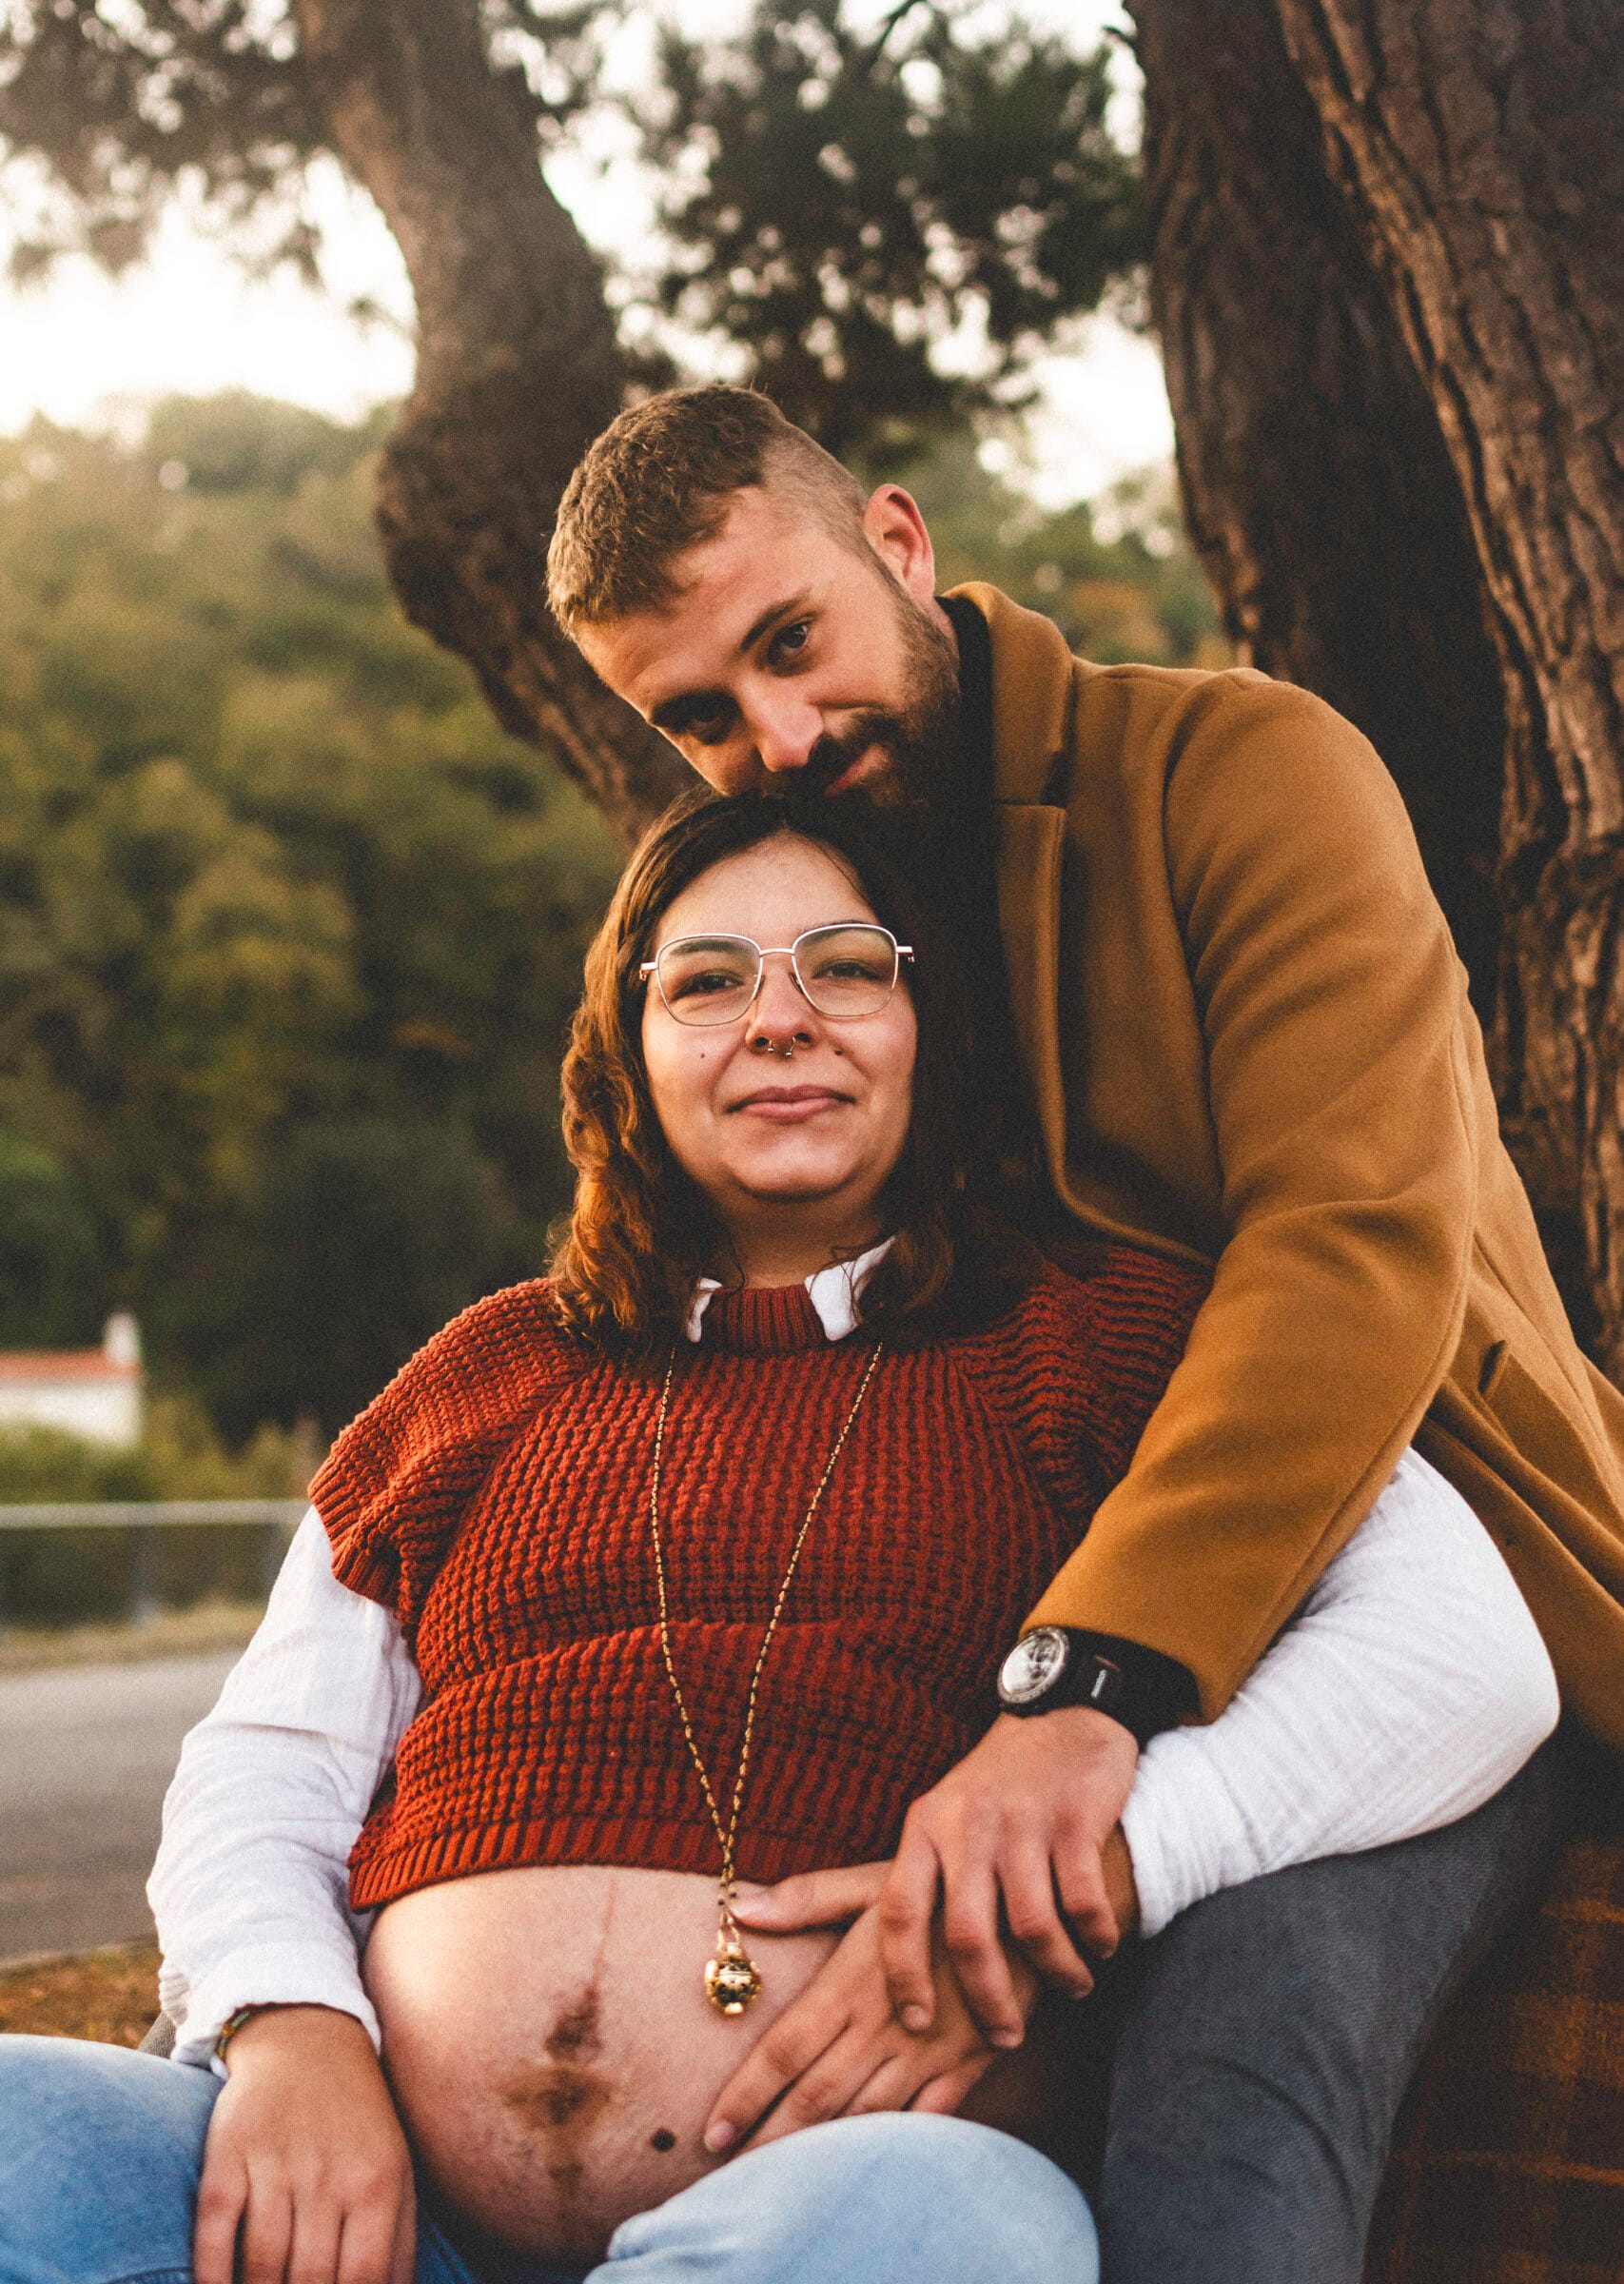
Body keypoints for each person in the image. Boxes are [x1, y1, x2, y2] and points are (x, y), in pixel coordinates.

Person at [0, 793, 1558, 2284]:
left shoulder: (1106, 1343)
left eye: (847, 968)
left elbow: (1469, 1652)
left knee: (969, 2236)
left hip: (841, 2215)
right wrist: (291, 2035)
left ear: (931, 1034)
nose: (780, 1017)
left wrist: (1109, 1856)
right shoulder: (488, 1369)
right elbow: (267, 1764)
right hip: (382, 2212)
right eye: (707, 983)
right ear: (628, 1052)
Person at [545, 385, 1624, 2280]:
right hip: (1033, 1581)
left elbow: (1348, 1243)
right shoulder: (824, 918)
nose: (774, 739)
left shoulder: (1245, 766)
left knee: (1241, 2011)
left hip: (1419, 1568)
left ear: (897, 542)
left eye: (787, 643)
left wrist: (1081, 1694)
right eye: (696, 717)